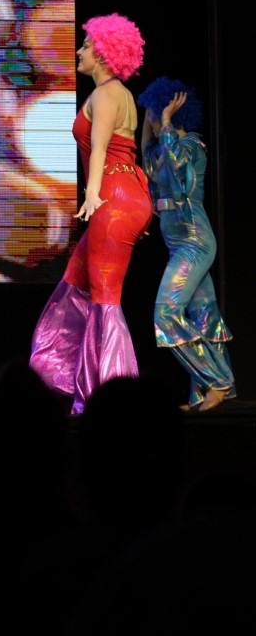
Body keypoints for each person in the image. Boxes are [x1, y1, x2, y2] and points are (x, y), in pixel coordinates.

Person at [29, 14, 150, 412]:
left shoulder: (104, 95)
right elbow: (126, 153)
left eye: (85, 46)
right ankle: (62, 376)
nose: (79, 51)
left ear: (102, 53)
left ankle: (114, 400)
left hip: (112, 198)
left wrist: (93, 195)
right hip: (126, 196)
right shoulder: (122, 95)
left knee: (105, 297)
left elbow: (99, 150)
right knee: (74, 283)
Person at [138, 77, 234, 411]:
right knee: (204, 313)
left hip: (195, 242)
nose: (150, 119)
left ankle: (218, 380)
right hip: (180, 245)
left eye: (153, 113)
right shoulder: (160, 152)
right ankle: (202, 393)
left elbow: (179, 171)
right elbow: (148, 158)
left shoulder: (191, 145)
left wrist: (165, 120)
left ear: (173, 114)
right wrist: (151, 119)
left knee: (166, 313)